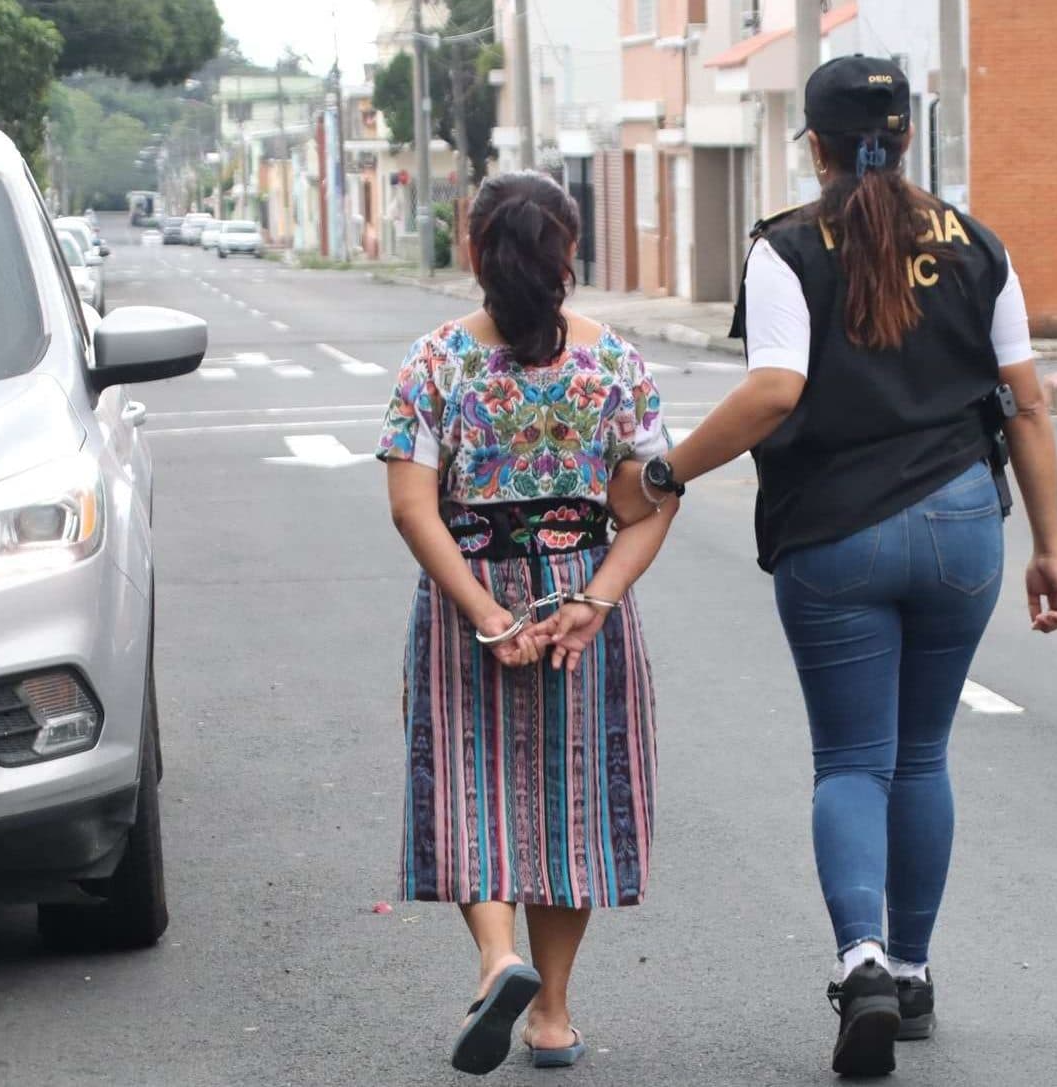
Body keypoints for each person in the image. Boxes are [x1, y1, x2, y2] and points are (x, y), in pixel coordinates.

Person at [610, 55, 1057, 1077]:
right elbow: (1027, 403)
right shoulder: (977, 243)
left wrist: (663, 471)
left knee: (851, 760)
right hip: (962, 525)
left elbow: (776, 391)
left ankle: (859, 958)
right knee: (923, 755)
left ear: (813, 144)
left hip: (836, 536)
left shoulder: (785, 249)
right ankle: (910, 971)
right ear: (907, 136)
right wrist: (1047, 545)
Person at [380, 172, 677, 1076]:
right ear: (569, 254)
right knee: (572, 802)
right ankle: (550, 1013)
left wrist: (483, 610)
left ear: (474, 250)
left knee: (470, 783)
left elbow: (410, 507)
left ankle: (493, 959)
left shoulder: (434, 360)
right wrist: (591, 602)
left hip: (471, 592)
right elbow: (654, 502)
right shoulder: (614, 363)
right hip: (580, 597)